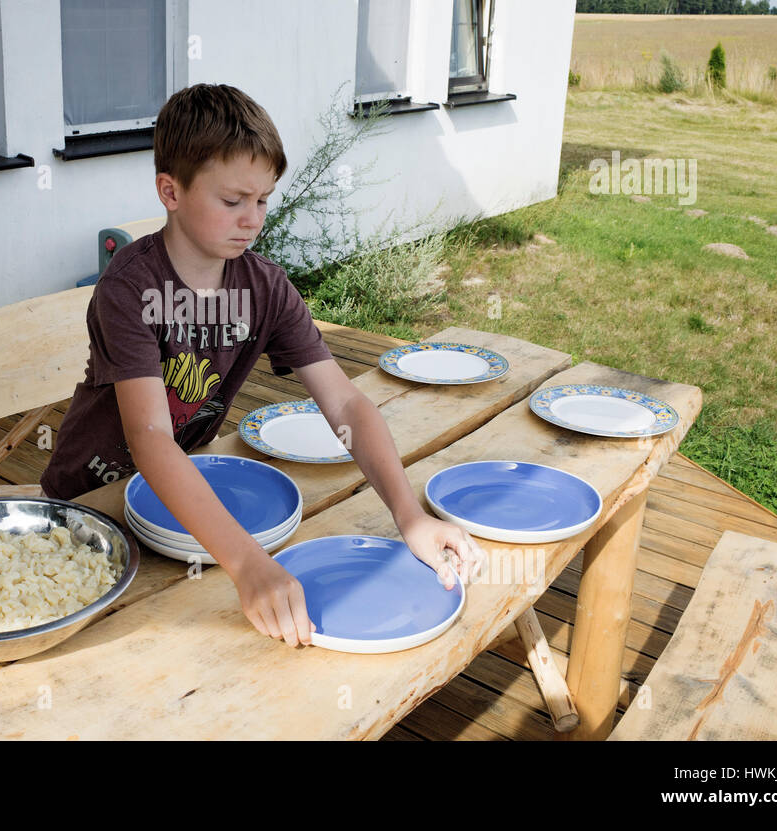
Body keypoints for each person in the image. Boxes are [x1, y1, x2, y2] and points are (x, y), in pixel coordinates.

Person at [40, 83, 482, 647]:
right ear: (169, 191)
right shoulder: (130, 287)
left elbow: (344, 403)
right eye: (232, 201)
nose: (252, 219)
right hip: (87, 508)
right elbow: (150, 437)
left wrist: (409, 515)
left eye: (264, 200)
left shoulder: (265, 288)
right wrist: (249, 566)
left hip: (189, 515)